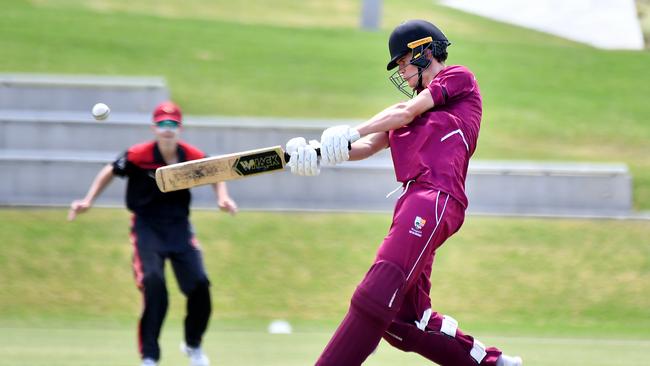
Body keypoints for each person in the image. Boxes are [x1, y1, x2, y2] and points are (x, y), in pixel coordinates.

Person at [285, 20, 523, 366]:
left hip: (435, 197)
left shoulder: (458, 77)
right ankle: (493, 363)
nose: (401, 70)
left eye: (403, 61)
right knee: (402, 321)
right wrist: (318, 152)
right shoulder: (411, 111)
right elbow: (366, 147)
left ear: (426, 51)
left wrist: (351, 130)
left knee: (375, 293)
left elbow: (403, 111)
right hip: (412, 201)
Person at [68, 101, 238, 366]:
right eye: (162, 124)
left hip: (179, 228)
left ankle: (192, 345)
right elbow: (110, 171)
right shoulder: (138, 155)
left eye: (172, 124)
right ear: (154, 128)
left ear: (179, 128)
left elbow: (216, 171)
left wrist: (223, 198)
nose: (167, 129)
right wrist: (88, 200)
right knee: (154, 284)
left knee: (200, 286)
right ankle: (149, 357)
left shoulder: (191, 155)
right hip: (147, 228)